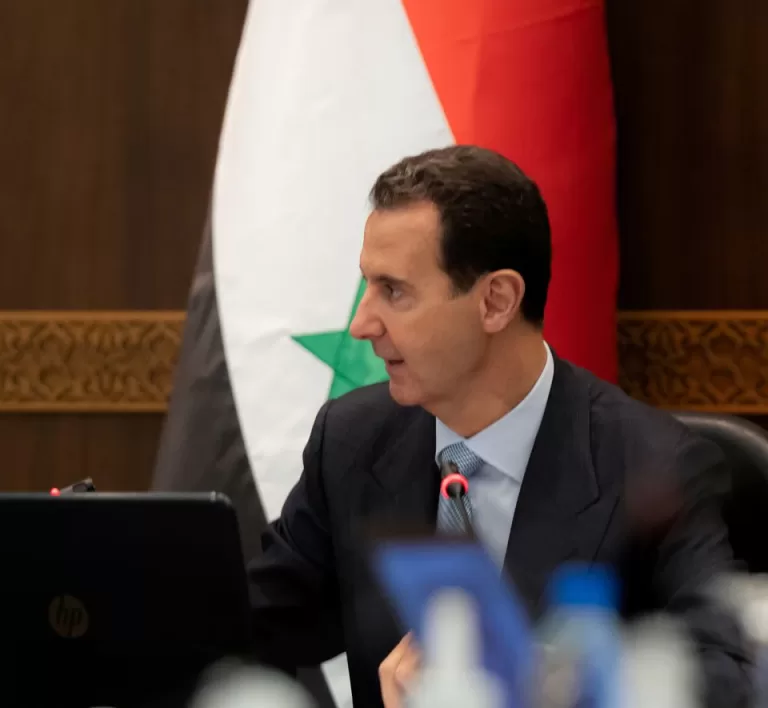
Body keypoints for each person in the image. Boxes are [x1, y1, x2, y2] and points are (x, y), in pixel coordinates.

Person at [246, 145, 752, 707]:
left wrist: (537, 684)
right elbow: (254, 626)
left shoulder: (653, 467)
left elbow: (729, 676)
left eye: (394, 291)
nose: (362, 324)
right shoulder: (351, 441)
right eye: (368, 286)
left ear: (496, 301)